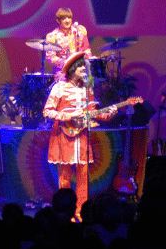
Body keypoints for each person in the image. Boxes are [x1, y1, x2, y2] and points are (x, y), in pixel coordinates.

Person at [43, 50, 120, 221]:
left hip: (82, 136)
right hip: (64, 135)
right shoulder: (59, 88)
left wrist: (109, 114)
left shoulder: (86, 89)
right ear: (72, 69)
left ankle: (81, 210)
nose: (85, 70)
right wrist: (68, 116)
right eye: (81, 68)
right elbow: (47, 111)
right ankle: (65, 211)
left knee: (83, 175)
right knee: (64, 176)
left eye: (85, 67)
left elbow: (93, 112)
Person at [44, 7, 91, 82]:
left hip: (80, 70)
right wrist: (67, 63)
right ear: (58, 21)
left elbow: (86, 49)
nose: (67, 21)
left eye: (69, 18)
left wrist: (89, 58)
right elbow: (51, 58)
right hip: (62, 73)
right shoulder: (52, 36)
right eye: (64, 19)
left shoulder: (79, 31)